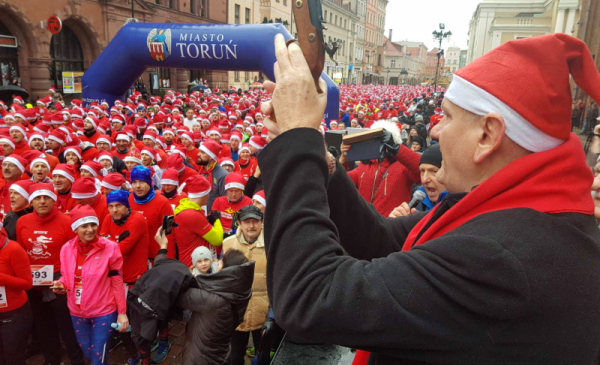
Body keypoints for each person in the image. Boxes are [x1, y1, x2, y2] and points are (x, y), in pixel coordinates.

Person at [257, 34, 600, 365]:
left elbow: (311, 296)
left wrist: (295, 143)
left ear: (488, 135)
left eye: (448, 116)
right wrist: (321, 160)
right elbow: (381, 238)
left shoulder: (502, 258)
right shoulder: (512, 213)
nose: (435, 131)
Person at [52, 204, 129, 365]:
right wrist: (60, 284)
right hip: (76, 311)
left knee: (97, 359)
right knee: (88, 351)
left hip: (104, 311)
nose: (90, 230)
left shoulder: (111, 248)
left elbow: (117, 281)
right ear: (75, 229)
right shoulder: (66, 249)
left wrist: (122, 312)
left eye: (93, 224)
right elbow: (66, 277)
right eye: (84, 226)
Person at [17, 183, 85, 365]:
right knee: (42, 324)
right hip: (33, 281)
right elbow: (21, 252)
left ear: (54, 199)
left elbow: (75, 255)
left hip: (59, 279)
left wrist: (66, 280)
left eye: (46, 197)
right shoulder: (22, 222)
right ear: (31, 201)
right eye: (37, 198)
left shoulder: (66, 221)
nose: (42, 201)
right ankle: (52, 359)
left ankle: (76, 358)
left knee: (65, 324)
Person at [127, 227, 197, 365]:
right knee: (141, 337)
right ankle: (145, 360)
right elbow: (161, 259)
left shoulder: (184, 281)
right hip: (139, 302)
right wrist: (163, 245)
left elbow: (162, 259)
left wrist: (163, 245)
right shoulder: (165, 267)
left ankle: (163, 343)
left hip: (158, 306)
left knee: (160, 321)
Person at [176, 249, 254, 365]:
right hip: (220, 348)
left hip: (201, 356)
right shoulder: (242, 289)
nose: (218, 262)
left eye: (221, 261)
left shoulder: (212, 299)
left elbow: (178, 296)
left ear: (226, 270)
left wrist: (163, 250)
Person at [338, 121, 421, 217]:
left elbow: (420, 169)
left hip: (392, 225)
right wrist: (342, 160)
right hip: (366, 224)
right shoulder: (364, 165)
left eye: (384, 140)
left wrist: (397, 149)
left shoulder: (403, 165)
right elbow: (341, 183)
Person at [222, 205, 268, 365]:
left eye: (255, 221)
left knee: (264, 355)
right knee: (235, 356)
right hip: (237, 311)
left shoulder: (271, 245)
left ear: (262, 222)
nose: (251, 226)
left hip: (264, 311)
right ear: (239, 223)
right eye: (247, 221)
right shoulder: (227, 244)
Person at [0, 218, 33, 365]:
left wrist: (2, 278)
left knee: (13, 358)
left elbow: (27, 283)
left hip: (13, 314)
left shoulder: (13, 249)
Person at [171, 175, 224, 266]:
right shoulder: (192, 215)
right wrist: (217, 221)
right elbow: (217, 240)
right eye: (208, 192)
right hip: (195, 267)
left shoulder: (184, 208)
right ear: (204, 195)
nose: (208, 196)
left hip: (192, 262)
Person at [389, 144, 447, 217]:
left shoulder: (460, 211)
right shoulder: (417, 204)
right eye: (422, 171)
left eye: (434, 171)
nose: (424, 179)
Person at [197, 139, 229, 211]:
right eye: (199, 151)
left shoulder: (223, 175)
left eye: (202, 152)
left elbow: (224, 201)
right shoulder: (200, 171)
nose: (198, 154)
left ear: (211, 156)